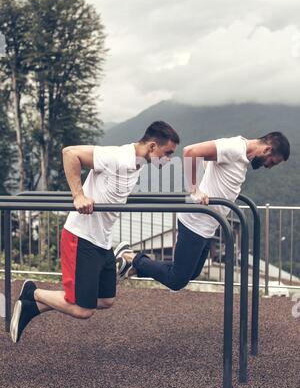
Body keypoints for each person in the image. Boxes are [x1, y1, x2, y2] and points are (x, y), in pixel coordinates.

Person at [10, 121, 180, 343]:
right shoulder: (117, 157)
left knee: (106, 300)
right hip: (81, 237)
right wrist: (78, 195)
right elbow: (70, 153)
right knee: (83, 310)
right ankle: (33, 293)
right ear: (152, 147)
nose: (168, 160)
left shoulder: (137, 164)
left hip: (102, 241)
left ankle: (32, 307)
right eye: (167, 154)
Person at [115, 132, 290, 290]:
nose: (269, 166)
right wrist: (194, 189)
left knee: (192, 273)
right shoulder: (235, 147)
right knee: (177, 280)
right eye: (272, 162)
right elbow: (190, 151)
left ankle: (132, 266)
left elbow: (209, 160)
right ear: (268, 149)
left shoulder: (242, 155)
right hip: (196, 223)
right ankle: (131, 257)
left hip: (209, 225)